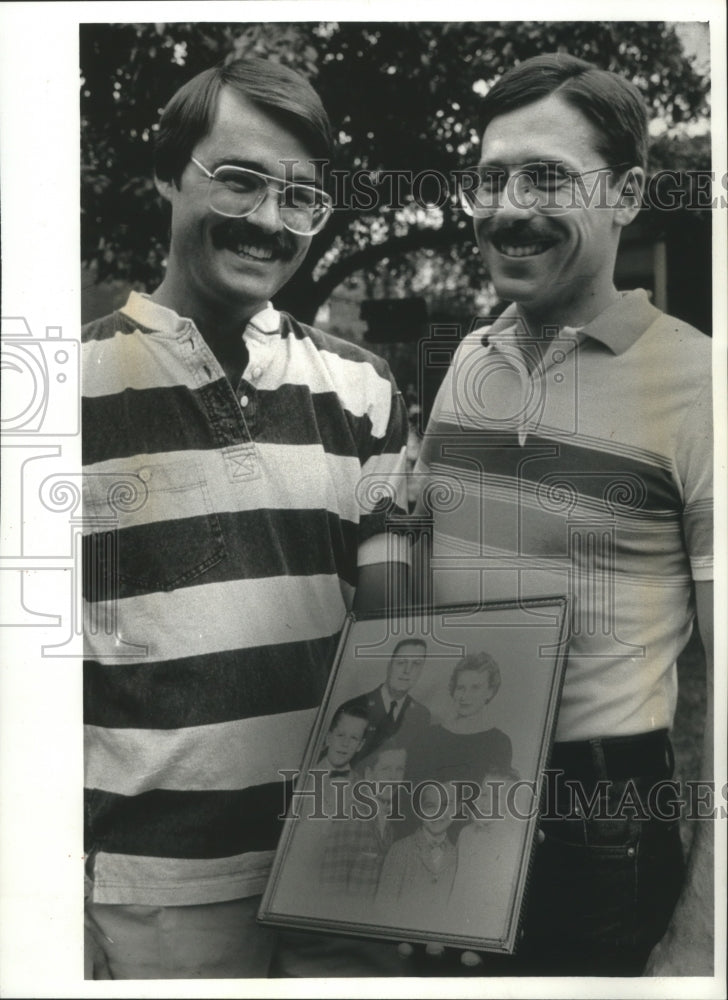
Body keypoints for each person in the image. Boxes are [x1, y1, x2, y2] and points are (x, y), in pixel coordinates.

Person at [81, 56, 410, 979]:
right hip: (159, 895)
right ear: (166, 175)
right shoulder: (58, 396)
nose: (269, 220)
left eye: (301, 197)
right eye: (239, 180)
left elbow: (397, 636)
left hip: (346, 874)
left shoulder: (363, 389)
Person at [414, 53, 713, 976]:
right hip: (451, 804)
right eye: (490, 177)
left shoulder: (703, 386)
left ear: (625, 192)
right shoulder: (466, 360)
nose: (509, 207)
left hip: (601, 830)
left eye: (546, 176)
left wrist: (705, 938)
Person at [408, 652, 512, 788]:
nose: (465, 696)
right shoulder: (427, 738)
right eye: (460, 688)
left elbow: (493, 799)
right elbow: (407, 796)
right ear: (453, 690)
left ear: (490, 692)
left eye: (475, 688)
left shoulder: (499, 744)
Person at [320, 742, 408, 898]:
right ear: (369, 774)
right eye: (386, 769)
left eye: (399, 769)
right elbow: (330, 893)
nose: (393, 777)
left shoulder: (389, 826)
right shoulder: (350, 818)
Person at [376, 781, 459, 927]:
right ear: (420, 810)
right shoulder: (400, 850)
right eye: (430, 806)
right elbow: (383, 908)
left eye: (446, 805)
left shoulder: (457, 854)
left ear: (457, 809)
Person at [337, 638, 431, 765]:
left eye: (416, 664)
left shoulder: (421, 715)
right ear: (389, 665)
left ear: (421, 671)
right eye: (401, 662)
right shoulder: (353, 707)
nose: (407, 671)